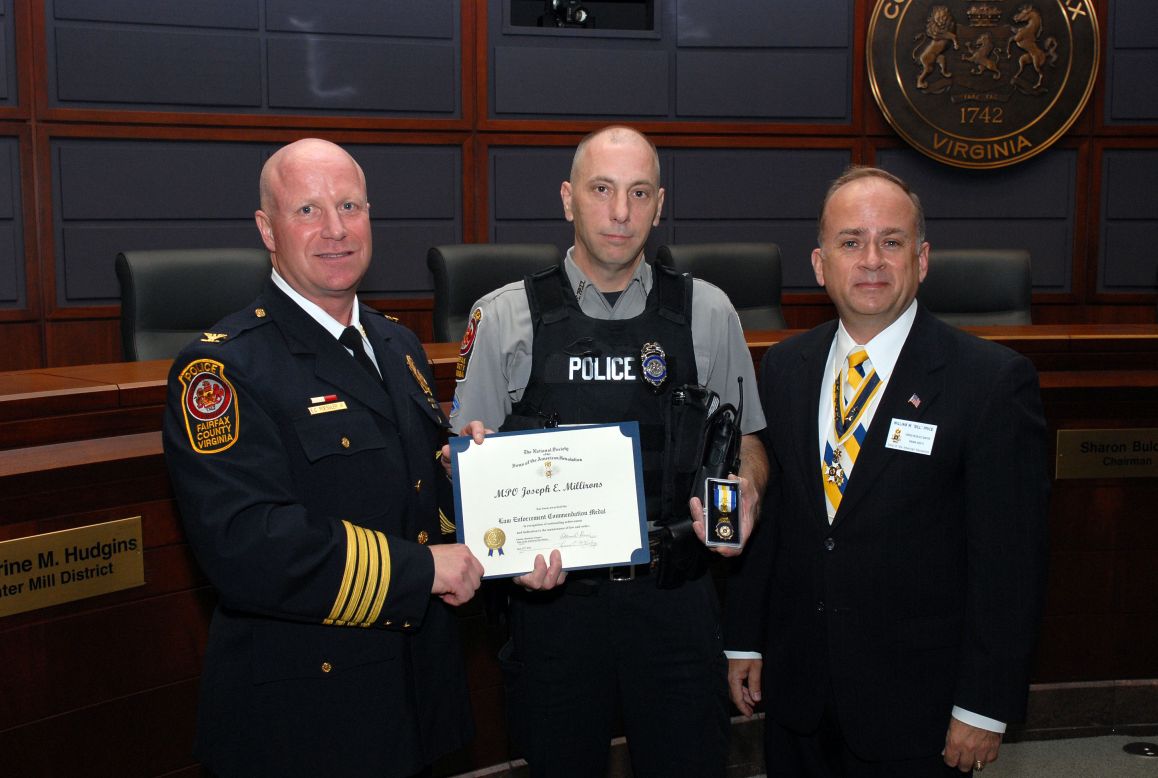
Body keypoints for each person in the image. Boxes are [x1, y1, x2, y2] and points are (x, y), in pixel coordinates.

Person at [450, 125, 769, 777]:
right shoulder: (504, 316)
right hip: (554, 607)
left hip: (675, 598)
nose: (621, 212)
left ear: (658, 204)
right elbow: (464, 462)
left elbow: (749, 442)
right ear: (568, 199)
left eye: (639, 192)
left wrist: (746, 490)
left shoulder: (708, 312)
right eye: (602, 190)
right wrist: (504, 553)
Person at [162, 138, 485, 777]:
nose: (335, 229)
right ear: (267, 229)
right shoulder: (223, 368)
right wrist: (421, 570)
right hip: (307, 714)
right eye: (307, 210)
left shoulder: (398, 346)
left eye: (350, 206)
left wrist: (478, 479)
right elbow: (247, 547)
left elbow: (415, 500)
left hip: (414, 695)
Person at [726, 166, 1049, 776]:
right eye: (851, 241)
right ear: (820, 264)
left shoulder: (991, 383)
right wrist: (744, 637)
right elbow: (771, 518)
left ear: (922, 260)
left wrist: (983, 706)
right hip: (799, 697)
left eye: (891, 241)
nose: (871, 259)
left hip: (918, 709)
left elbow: (1010, 561)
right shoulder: (786, 366)